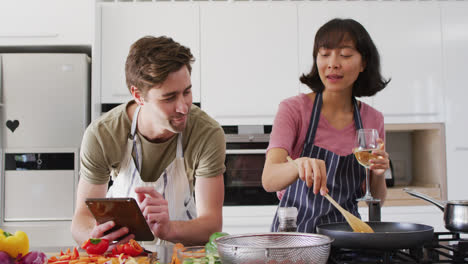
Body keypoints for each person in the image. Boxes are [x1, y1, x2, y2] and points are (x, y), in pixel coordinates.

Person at [71, 36, 226, 246]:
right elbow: (81, 221)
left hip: (181, 254)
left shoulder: (206, 134)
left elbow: (211, 225)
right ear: (138, 95)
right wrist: (95, 235)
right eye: (169, 98)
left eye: (187, 92)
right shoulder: (103, 135)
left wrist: (168, 228)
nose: (183, 107)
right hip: (122, 255)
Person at [262, 18, 390, 233]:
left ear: (363, 63)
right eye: (325, 53)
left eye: (345, 55)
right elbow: (269, 180)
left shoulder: (372, 119)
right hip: (295, 236)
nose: (333, 63)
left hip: (348, 237)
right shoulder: (294, 110)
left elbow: (375, 199)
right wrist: (297, 165)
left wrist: (378, 172)